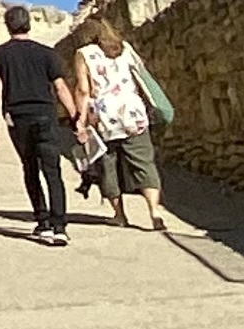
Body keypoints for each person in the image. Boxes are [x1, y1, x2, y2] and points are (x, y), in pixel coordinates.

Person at [0, 5, 76, 245]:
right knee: (52, 170)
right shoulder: (46, 54)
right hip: (45, 114)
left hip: (17, 117)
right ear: (29, 25)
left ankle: (42, 221)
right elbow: (60, 87)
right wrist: (75, 117)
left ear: (7, 26)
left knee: (30, 167)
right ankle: (59, 226)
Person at [74, 29, 173, 233]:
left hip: (106, 116)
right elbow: (141, 76)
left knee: (107, 166)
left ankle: (120, 215)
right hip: (133, 112)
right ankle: (154, 213)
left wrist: (81, 121)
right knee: (143, 162)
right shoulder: (124, 48)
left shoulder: (83, 54)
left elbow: (83, 90)